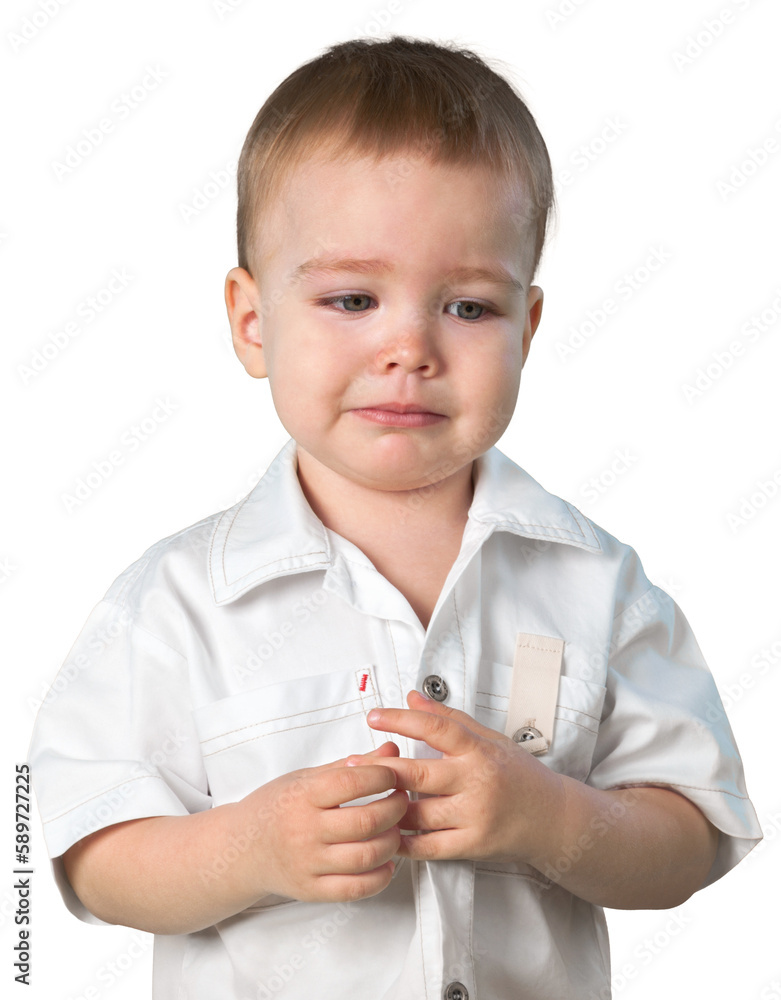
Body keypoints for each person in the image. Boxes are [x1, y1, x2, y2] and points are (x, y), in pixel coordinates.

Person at [28, 35, 762, 1000]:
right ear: (253, 323)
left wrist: (549, 818)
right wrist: (245, 849)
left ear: (527, 327)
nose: (407, 346)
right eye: (351, 298)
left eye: (465, 307)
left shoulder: (597, 585)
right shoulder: (173, 603)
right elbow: (84, 850)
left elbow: (693, 835)